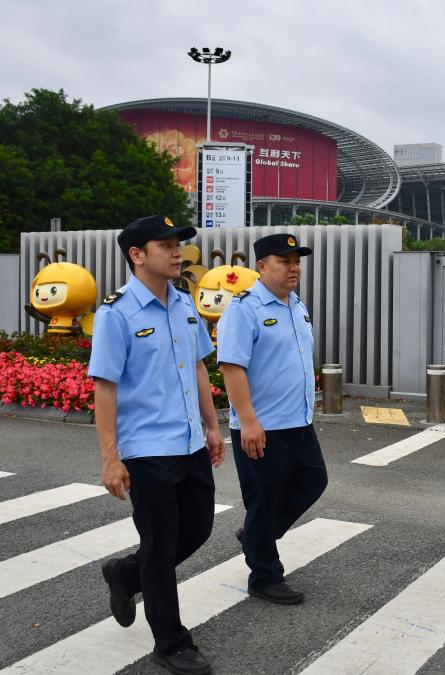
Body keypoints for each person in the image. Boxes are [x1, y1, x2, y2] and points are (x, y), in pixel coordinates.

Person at [89, 215, 224, 675]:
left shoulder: (183, 303)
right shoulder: (117, 313)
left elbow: (199, 367)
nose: (176, 251)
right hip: (147, 449)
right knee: (161, 543)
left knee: (198, 529)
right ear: (137, 254)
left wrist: (212, 425)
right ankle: (170, 642)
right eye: (165, 244)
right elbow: (105, 387)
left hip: (189, 442)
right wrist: (111, 459)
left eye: (177, 244)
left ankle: (127, 573)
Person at [217, 233, 327, 605]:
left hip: (298, 422)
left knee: (313, 481)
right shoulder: (243, 309)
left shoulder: (295, 305)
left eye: (296, 261)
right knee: (263, 500)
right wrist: (248, 421)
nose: (294, 268)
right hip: (261, 426)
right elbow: (231, 367)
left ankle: (255, 536)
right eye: (284, 261)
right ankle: (264, 576)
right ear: (262, 266)